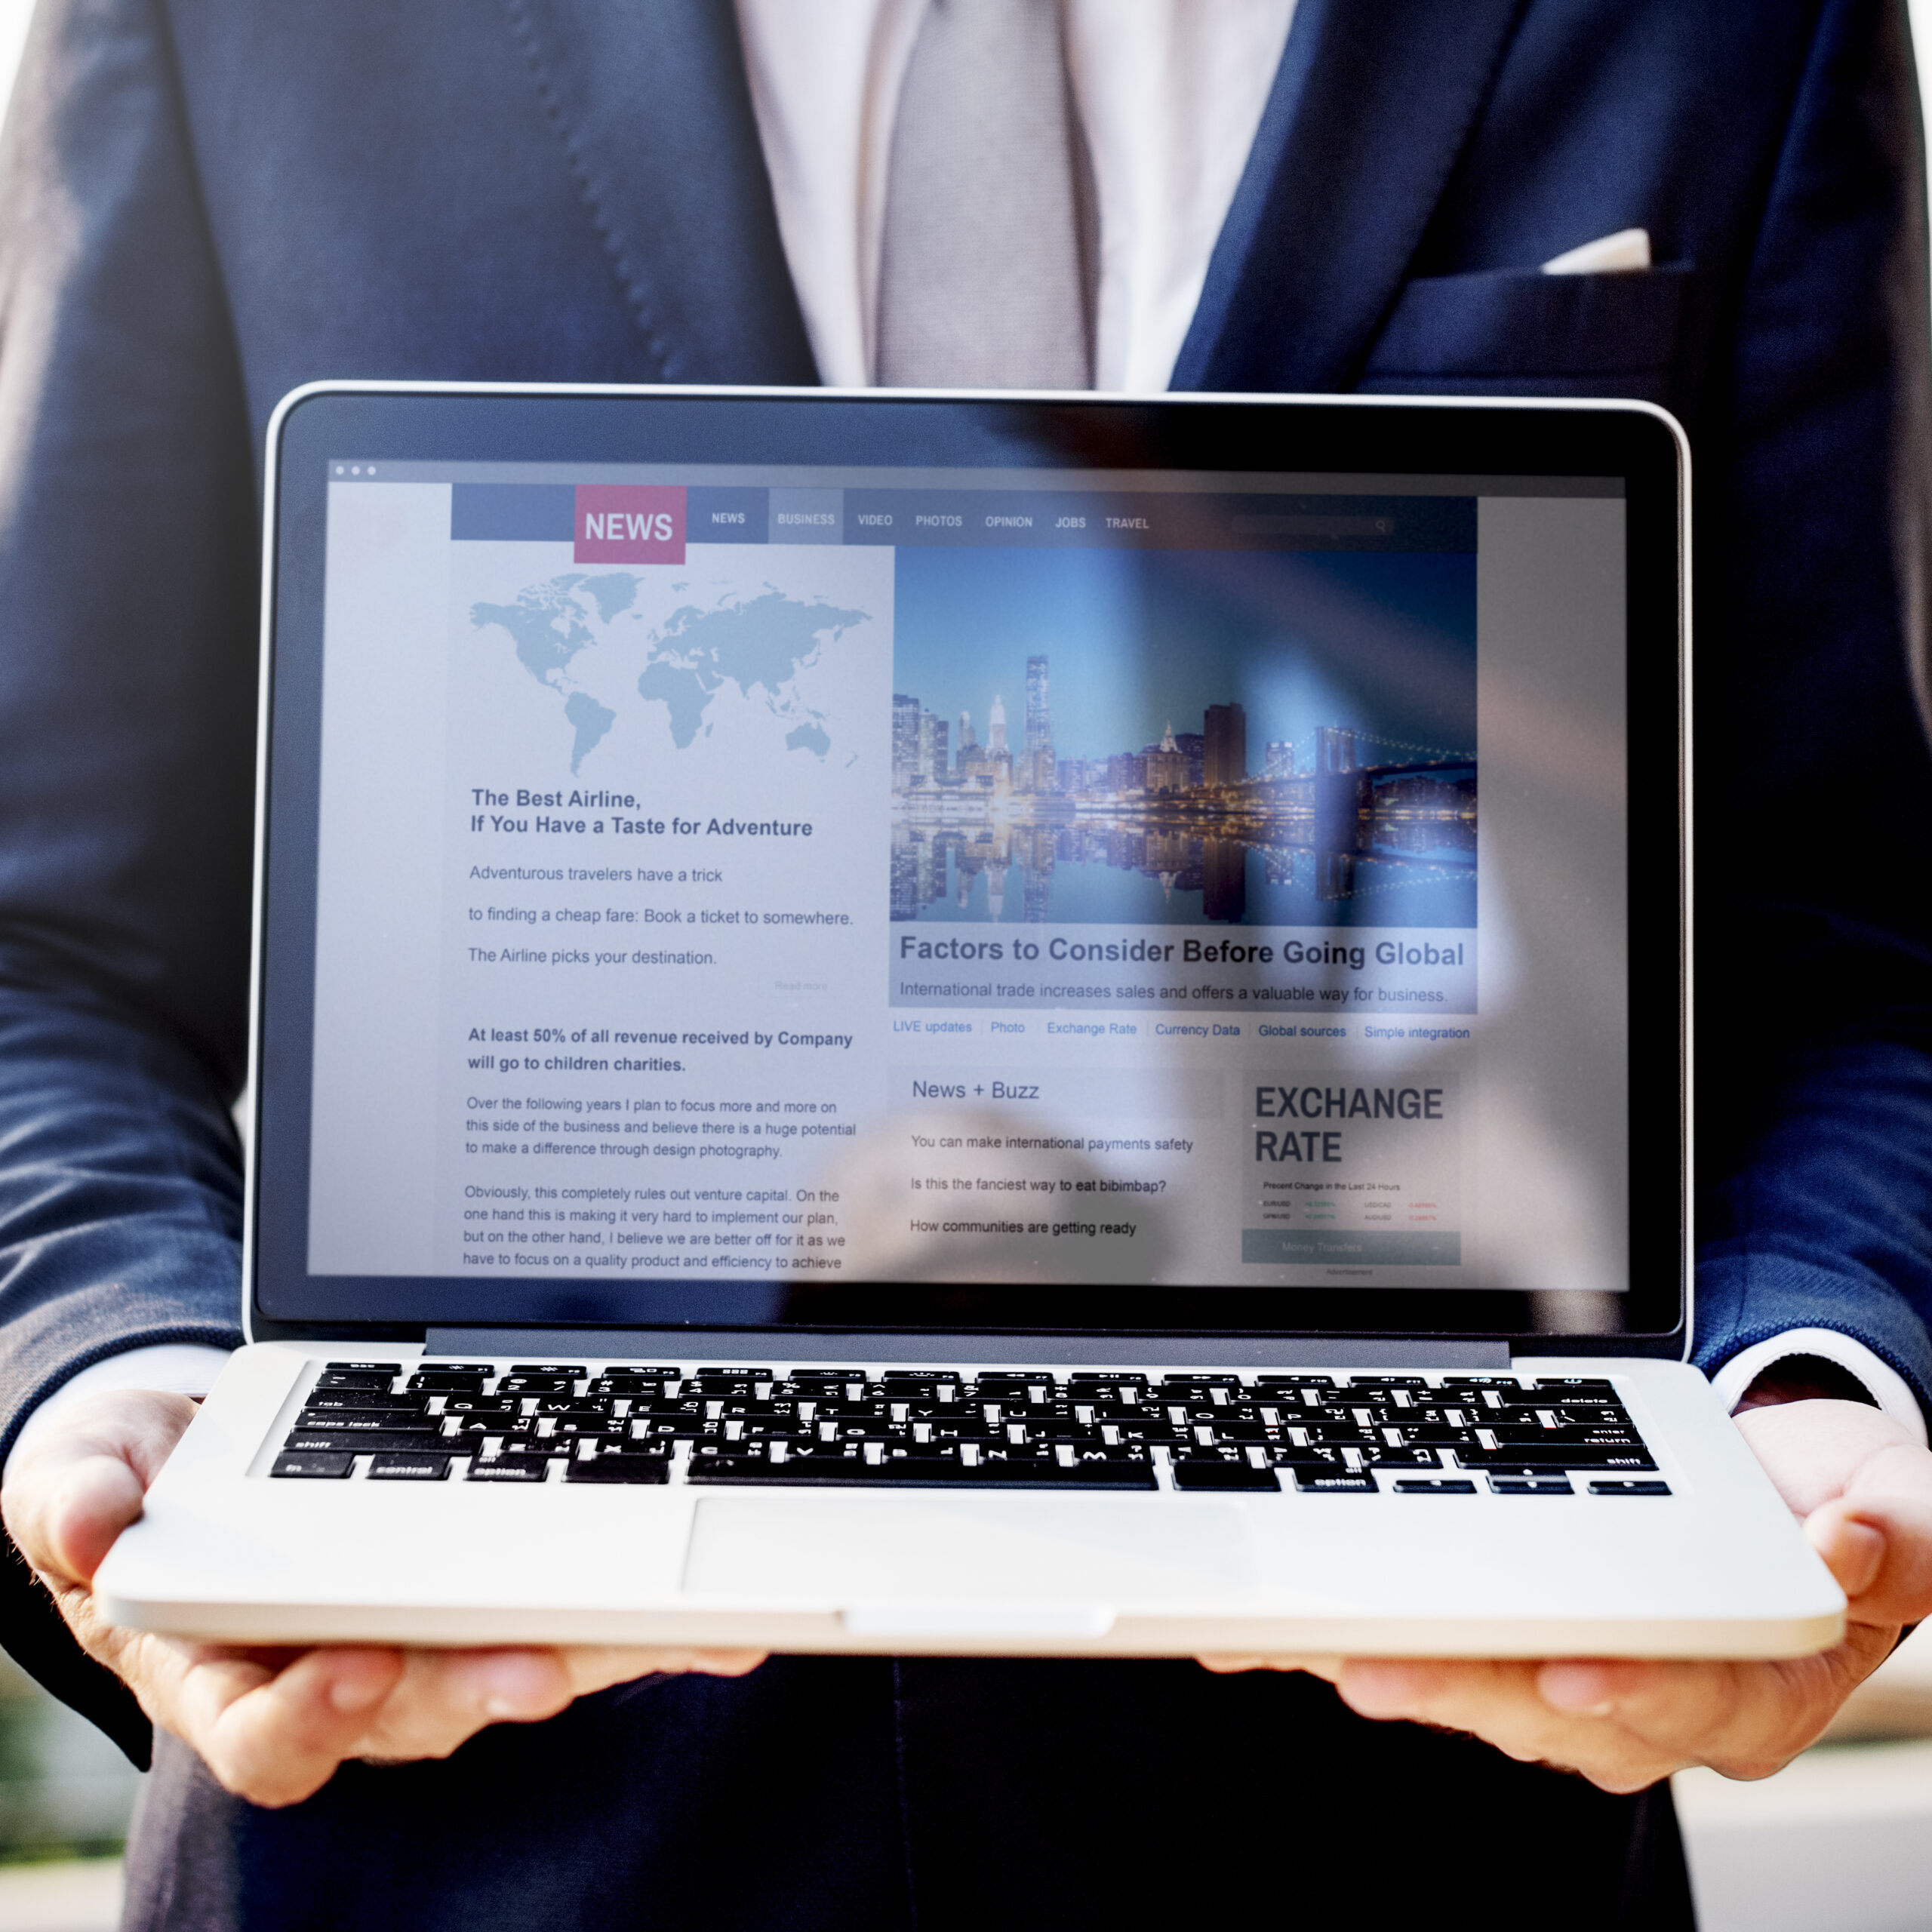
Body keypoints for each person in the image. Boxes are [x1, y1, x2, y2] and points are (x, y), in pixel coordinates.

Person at [4, 1, 1932, 1925]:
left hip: (1400, 1859)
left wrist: (1804, 1382)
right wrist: (123, 1379)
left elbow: (1854, 944)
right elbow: (42, 945)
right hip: (460, 1846)